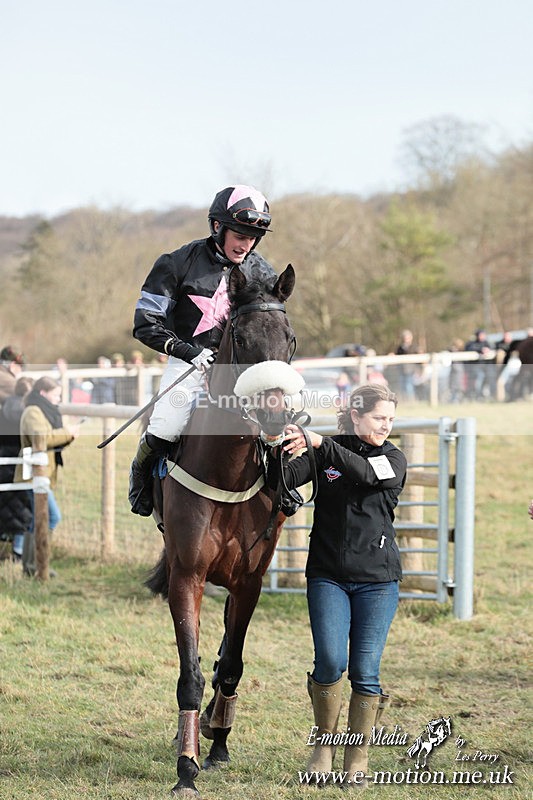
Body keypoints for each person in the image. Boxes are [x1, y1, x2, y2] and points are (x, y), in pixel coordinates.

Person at [276, 383, 407, 783]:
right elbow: (281, 478)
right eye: (379, 418)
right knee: (331, 662)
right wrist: (277, 443)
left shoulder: (393, 459)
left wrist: (320, 443)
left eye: (390, 419)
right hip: (328, 575)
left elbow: (365, 473)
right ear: (355, 415)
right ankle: (323, 747)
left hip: (378, 582)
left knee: (365, 671)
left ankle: (358, 758)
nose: (386, 425)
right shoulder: (325, 454)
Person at [128, 184, 274, 516]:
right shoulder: (176, 263)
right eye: (240, 234)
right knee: (166, 423)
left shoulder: (261, 270)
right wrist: (186, 351)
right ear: (217, 226)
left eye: (253, 237)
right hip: (189, 362)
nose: (246, 244)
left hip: (243, 370)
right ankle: (140, 477)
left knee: (277, 422)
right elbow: (145, 321)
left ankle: (281, 486)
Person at [14, 377, 79, 575]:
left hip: (40, 474)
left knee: (37, 520)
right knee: (51, 517)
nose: (58, 399)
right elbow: (41, 440)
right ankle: (37, 565)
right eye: (56, 394)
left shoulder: (42, 411)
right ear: (43, 393)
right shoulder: (33, 412)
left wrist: (68, 435)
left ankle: (31, 567)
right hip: (33, 475)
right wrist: (67, 433)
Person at [0, 376, 34, 561]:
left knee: (7, 508)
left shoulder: (4, 408)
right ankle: (19, 552)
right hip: (23, 462)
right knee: (23, 509)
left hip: (4, 460)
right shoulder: (28, 413)